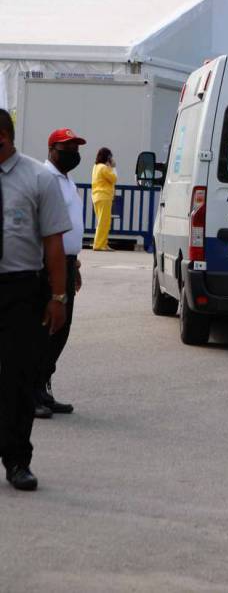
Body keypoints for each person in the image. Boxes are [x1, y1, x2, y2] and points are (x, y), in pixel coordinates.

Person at [0, 108, 70, 491]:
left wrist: (57, 296)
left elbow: (54, 243)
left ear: (8, 138)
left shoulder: (39, 179)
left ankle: (17, 460)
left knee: (17, 377)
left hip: (20, 290)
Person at [35, 128, 87, 419]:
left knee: (61, 331)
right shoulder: (44, 179)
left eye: (76, 148)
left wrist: (75, 265)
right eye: (68, 148)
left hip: (66, 262)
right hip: (47, 264)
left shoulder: (67, 180)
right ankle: (30, 393)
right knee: (44, 329)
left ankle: (43, 387)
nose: (74, 154)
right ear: (52, 149)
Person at [91, 147, 117, 252]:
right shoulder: (104, 168)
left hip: (97, 196)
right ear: (108, 157)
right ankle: (99, 244)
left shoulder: (96, 167)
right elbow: (114, 178)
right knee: (104, 222)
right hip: (104, 196)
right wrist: (113, 167)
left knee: (103, 221)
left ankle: (103, 243)